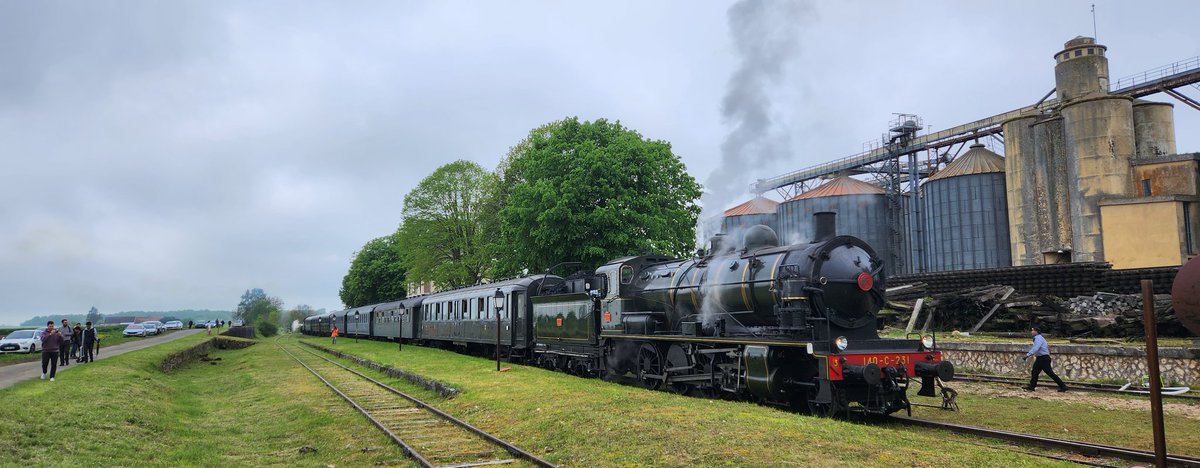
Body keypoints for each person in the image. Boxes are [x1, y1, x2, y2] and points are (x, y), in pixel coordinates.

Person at [1023, 326, 1067, 392]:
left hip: (1043, 358)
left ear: (1036, 331)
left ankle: (1063, 386)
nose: (1031, 332)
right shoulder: (1039, 338)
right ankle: (1032, 386)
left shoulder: (1038, 338)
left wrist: (1027, 355)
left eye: (1032, 330)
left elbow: (1036, 348)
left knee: (1050, 373)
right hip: (1040, 358)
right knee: (1034, 372)